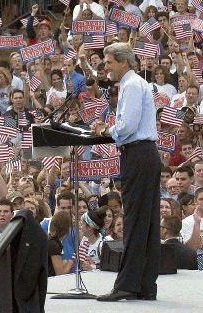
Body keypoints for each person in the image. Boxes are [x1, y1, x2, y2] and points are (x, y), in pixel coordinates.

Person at [92, 42, 161, 301]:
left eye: (109, 62)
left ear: (123, 62)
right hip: (146, 155)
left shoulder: (131, 86)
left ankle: (126, 285)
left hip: (137, 155)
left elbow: (127, 126)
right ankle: (145, 285)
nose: (106, 67)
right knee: (148, 222)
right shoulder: (137, 84)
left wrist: (105, 131)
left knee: (134, 220)